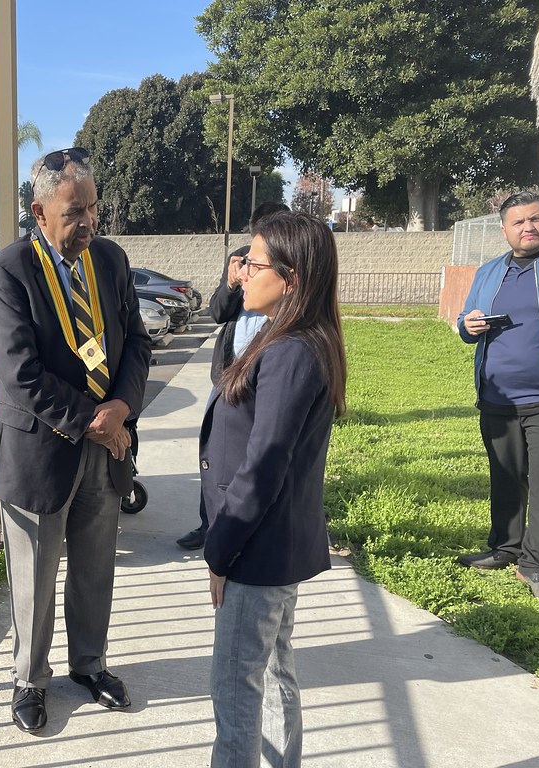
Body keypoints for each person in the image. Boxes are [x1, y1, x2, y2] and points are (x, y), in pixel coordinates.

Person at [0, 147, 152, 733]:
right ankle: (29, 680)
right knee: (34, 574)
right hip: (40, 450)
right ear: (40, 211)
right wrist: (94, 420)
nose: (89, 223)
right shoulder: (8, 271)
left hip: (104, 449)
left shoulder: (110, 259)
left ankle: (89, 665)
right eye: (75, 211)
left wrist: (123, 409)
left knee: (94, 566)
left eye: (94, 209)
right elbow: (20, 374)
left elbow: (136, 343)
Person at [202, 211, 346, 767]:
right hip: (271, 547)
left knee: (237, 693)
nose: (241, 275)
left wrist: (220, 549)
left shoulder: (290, 350)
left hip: (255, 551)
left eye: (254, 264)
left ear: (291, 278)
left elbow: (265, 465)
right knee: (275, 670)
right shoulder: (289, 337)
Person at [456, 191, 539, 601]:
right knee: (506, 477)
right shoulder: (491, 271)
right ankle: (505, 548)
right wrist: (467, 324)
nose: (529, 227)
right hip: (499, 399)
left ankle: (536, 566)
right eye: (519, 222)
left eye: (536, 219)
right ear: (505, 229)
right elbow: (466, 318)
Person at [177, 201, 290, 550]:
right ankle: (208, 523)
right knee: (214, 449)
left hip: (263, 370)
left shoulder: (286, 269)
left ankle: (239, 529)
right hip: (228, 373)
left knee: (252, 452)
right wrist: (230, 284)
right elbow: (217, 312)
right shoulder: (244, 259)